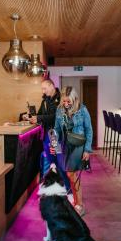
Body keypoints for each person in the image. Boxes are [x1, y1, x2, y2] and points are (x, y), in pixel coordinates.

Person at [50, 86, 93, 216]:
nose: (67, 104)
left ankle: (80, 204)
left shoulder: (82, 109)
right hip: (65, 145)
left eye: (69, 101)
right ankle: (76, 202)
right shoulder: (59, 110)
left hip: (78, 145)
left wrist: (87, 150)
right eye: (64, 101)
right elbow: (56, 129)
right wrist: (54, 144)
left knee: (72, 174)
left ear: (75, 99)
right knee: (70, 175)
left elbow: (89, 130)